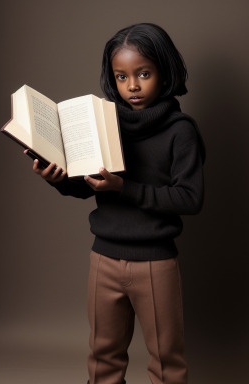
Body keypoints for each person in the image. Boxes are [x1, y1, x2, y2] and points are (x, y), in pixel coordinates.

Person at [25, 23, 205, 384]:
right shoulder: (105, 124)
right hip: (103, 258)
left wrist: (125, 187)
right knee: (103, 357)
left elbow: (190, 198)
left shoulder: (180, 130)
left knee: (166, 361)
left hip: (155, 261)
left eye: (143, 74)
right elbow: (93, 186)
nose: (132, 86)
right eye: (121, 77)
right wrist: (59, 180)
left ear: (164, 72)